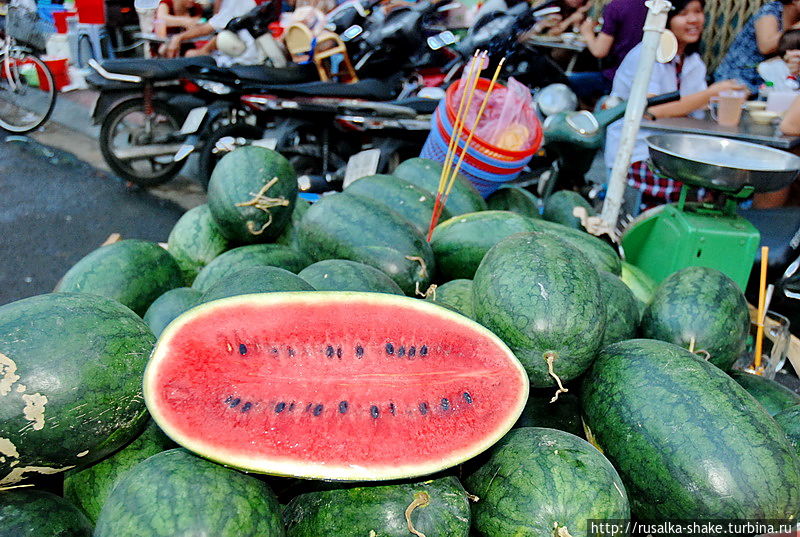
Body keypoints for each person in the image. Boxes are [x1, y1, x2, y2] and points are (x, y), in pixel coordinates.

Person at [603, 0, 747, 215]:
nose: (693, 19)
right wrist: (711, 92)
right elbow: (653, 110)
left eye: (698, 12)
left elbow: (697, 108)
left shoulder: (693, 61)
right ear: (666, 20)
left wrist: (720, 98)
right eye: (683, 13)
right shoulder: (647, 54)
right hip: (639, 153)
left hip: (676, 151)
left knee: (727, 180)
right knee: (700, 188)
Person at [714, 0, 800, 94]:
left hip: (776, 82)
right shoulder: (773, 9)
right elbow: (765, 46)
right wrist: (794, 28)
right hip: (740, 77)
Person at [570, 0, 648, 102]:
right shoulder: (655, 4)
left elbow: (599, 51)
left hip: (617, 78)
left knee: (565, 82)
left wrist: (587, 33)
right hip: (647, 75)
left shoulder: (616, 6)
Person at [160, 0, 256, 57]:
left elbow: (212, 27)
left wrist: (179, 37)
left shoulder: (235, 2)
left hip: (243, 57)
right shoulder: (166, 3)